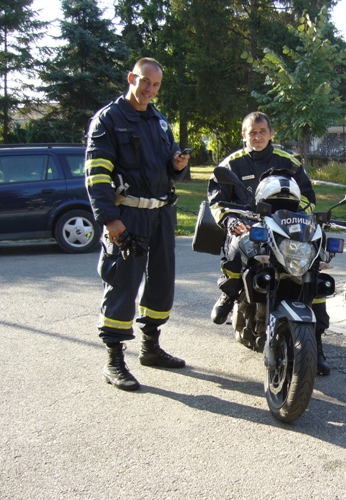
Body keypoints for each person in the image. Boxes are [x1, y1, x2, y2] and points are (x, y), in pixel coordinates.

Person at [85, 57, 190, 391]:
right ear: (132, 78)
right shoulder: (109, 119)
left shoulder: (159, 121)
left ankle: (151, 348)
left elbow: (169, 167)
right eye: (145, 81)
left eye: (156, 85)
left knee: (161, 282)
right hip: (127, 216)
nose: (150, 89)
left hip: (161, 214)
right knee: (122, 283)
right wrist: (110, 220)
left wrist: (177, 165)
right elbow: (96, 175)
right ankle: (114, 361)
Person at [207, 111, 331, 375]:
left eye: (262, 131)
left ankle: (316, 344)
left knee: (315, 267)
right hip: (247, 225)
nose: (257, 136)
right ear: (244, 135)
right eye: (252, 132)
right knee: (236, 249)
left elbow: (308, 198)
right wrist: (230, 219)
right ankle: (229, 293)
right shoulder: (232, 164)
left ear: (271, 133)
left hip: (284, 227)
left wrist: (299, 217)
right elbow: (217, 201)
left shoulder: (289, 162)